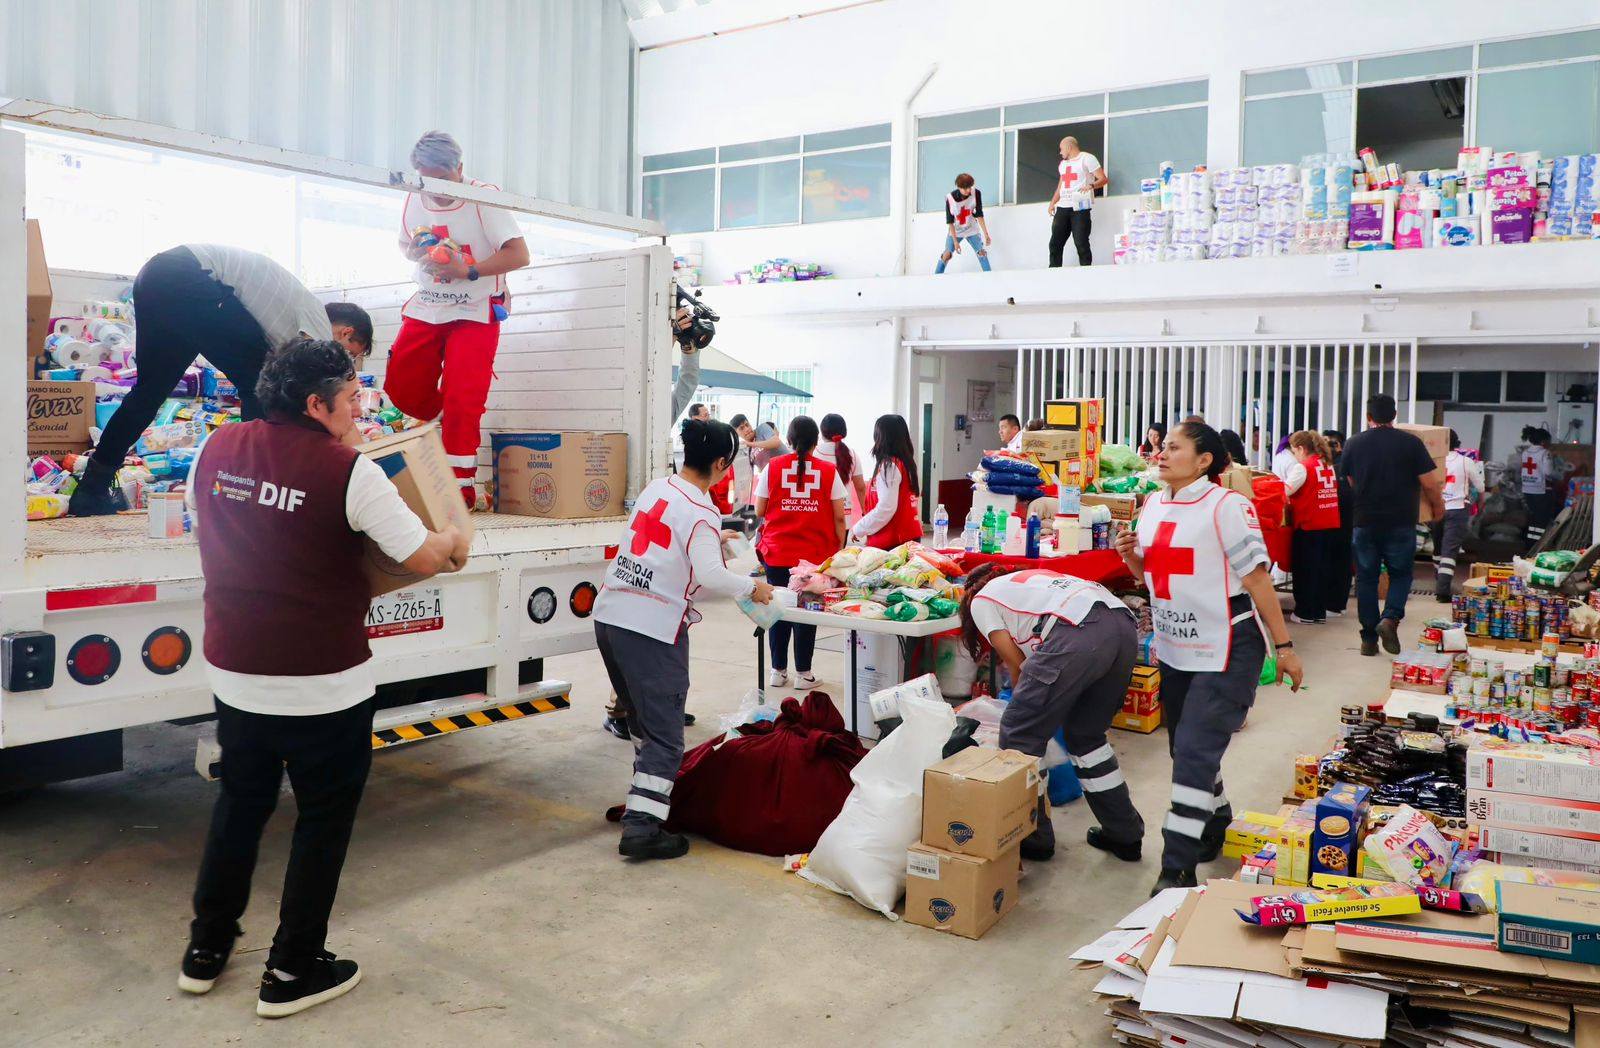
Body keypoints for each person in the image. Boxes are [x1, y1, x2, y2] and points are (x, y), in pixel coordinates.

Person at [179, 339, 467, 1018]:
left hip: (236, 674)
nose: (356, 412)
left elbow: (210, 526)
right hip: (322, 685)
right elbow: (421, 558)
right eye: (349, 401)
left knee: (240, 807)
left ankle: (205, 949)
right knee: (321, 822)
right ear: (316, 403)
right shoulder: (350, 473)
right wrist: (455, 536)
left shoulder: (214, 448)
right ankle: (291, 968)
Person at [1114, 420, 1303, 894]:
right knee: (1185, 748)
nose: (1161, 453)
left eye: (1173, 448)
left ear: (1203, 461)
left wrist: (1285, 648)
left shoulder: (1228, 506)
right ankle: (1216, 819)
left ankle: (1175, 867)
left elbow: (1258, 580)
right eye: (1162, 447)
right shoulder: (1154, 504)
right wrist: (1132, 559)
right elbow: (1157, 580)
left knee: (1194, 752)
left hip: (1228, 645)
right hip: (1177, 646)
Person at [67, 246, 374, 516]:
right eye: (350, 353)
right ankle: (255, 496)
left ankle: (92, 488)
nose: (342, 361)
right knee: (259, 382)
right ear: (346, 333)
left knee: (149, 392)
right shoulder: (317, 322)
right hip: (191, 277)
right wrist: (362, 458)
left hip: (156, 276)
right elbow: (320, 391)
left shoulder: (289, 312)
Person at [593, 419, 774, 860]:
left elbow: (669, 541)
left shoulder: (659, 489)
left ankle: (647, 799)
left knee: (641, 721)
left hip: (612, 615)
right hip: (651, 628)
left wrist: (716, 538)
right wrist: (753, 587)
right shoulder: (702, 512)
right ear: (719, 464)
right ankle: (642, 827)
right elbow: (711, 575)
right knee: (666, 735)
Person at [959, 566, 1143, 864]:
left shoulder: (981, 601)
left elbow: (1017, 663)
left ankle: (1035, 839)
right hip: (1121, 625)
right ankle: (1124, 834)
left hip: (1079, 631)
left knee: (1020, 732)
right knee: (1087, 736)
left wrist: (1020, 708)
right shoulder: (1031, 583)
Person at [387, 130, 531, 509]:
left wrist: (467, 270)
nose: (436, 189)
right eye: (427, 178)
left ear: (460, 170)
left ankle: (459, 487)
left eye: (444, 179)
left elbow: (519, 255)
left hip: (476, 308)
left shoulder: (484, 196)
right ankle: (443, 416)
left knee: (464, 396)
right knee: (401, 384)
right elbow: (405, 245)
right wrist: (422, 253)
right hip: (430, 303)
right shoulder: (414, 195)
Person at [1338, 395, 1445, 657]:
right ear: (1394, 415)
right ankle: (1390, 618)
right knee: (1400, 574)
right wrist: (1438, 508)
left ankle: (1368, 639)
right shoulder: (1411, 443)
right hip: (1400, 521)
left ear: (1368, 417)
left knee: (1366, 578)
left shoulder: (1353, 443)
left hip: (1365, 521)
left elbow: (1350, 480)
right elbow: (1429, 483)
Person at [755, 416, 848, 691]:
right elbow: (839, 517)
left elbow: (760, 510)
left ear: (790, 440)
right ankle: (803, 674)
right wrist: (839, 550)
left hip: (777, 552)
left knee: (778, 609)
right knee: (807, 611)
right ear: (815, 441)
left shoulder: (773, 467)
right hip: (813, 557)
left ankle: (777, 671)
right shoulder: (828, 471)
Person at [1284, 430, 1341, 625]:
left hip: (1309, 525)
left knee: (1305, 570)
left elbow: (1286, 491)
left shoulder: (1303, 467)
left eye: (1293, 450)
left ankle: (1305, 612)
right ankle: (1318, 612)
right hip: (1329, 524)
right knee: (1322, 570)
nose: (1294, 455)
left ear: (1300, 448)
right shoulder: (1327, 464)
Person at [850, 414, 923, 549]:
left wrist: (859, 528)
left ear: (881, 437)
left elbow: (886, 508)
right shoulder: (905, 463)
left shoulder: (889, 466)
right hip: (907, 537)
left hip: (894, 542)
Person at [1435, 430, 1483, 602]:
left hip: (1436, 508)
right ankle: (1442, 591)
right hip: (1457, 509)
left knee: (1437, 548)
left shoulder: (1434, 461)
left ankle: (1439, 580)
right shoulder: (1466, 462)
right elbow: (1480, 486)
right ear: (1458, 443)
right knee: (1449, 551)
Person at [1047, 136, 1107, 268]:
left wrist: (1091, 186)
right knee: (1055, 243)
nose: (1060, 152)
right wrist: (1052, 203)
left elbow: (1103, 179)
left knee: (1081, 242)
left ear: (1069, 147)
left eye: (1061, 149)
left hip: (1080, 207)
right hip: (1063, 207)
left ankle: (1085, 271)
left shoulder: (1087, 158)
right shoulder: (1063, 165)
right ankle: (1053, 272)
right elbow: (1060, 187)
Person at [1322, 429, 1354, 617]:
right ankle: (1334, 602)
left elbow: (1345, 496)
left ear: (1339, 446)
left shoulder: (1342, 466)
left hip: (1342, 522)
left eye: (1331, 443)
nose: (1326, 446)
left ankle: (1336, 604)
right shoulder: (1327, 465)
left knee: (1340, 562)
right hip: (1334, 521)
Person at [936, 173, 992, 274]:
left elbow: (979, 214)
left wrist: (986, 234)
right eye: (965, 188)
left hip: (971, 228)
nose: (968, 190)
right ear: (958, 187)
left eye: (969, 187)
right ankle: (935, 279)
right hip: (956, 231)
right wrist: (955, 242)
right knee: (947, 254)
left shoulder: (976, 193)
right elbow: (950, 222)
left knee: (982, 253)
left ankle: (990, 277)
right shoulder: (950, 198)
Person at [816, 413, 868, 515]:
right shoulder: (852, 454)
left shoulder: (814, 452)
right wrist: (864, 510)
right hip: (844, 514)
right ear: (844, 432)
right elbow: (860, 487)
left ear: (822, 432)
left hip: (819, 513)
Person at [1516, 426, 1558, 544]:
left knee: (1533, 517)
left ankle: (1530, 543)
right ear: (1544, 441)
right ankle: (1537, 544)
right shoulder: (1545, 453)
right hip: (1541, 490)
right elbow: (1548, 472)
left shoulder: (1525, 452)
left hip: (1527, 489)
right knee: (1542, 519)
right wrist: (1559, 473)